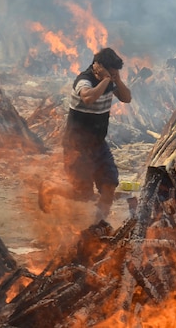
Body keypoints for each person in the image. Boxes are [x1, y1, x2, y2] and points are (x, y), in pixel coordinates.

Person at [38, 47, 132, 222]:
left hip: (98, 144)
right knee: (83, 194)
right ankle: (49, 187)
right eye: (111, 72)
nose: (113, 76)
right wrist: (105, 80)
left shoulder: (111, 80)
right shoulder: (84, 80)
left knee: (109, 185)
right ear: (99, 67)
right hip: (76, 146)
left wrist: (115, 80)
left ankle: (99, 224)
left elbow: (127, 98)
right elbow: (88, 98)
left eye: (115, 73)